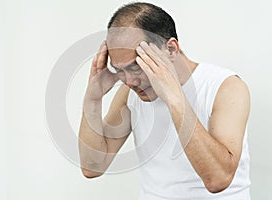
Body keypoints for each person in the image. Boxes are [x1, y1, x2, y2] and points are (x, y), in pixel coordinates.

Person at [78, 2, 251, 200]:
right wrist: (93, 99)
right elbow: (92, 167)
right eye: (120, 70)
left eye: (136, 66)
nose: (130, 81)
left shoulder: (225, 87)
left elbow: (218, 179)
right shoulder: (130, 94)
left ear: (170, 49)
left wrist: (174, 98)